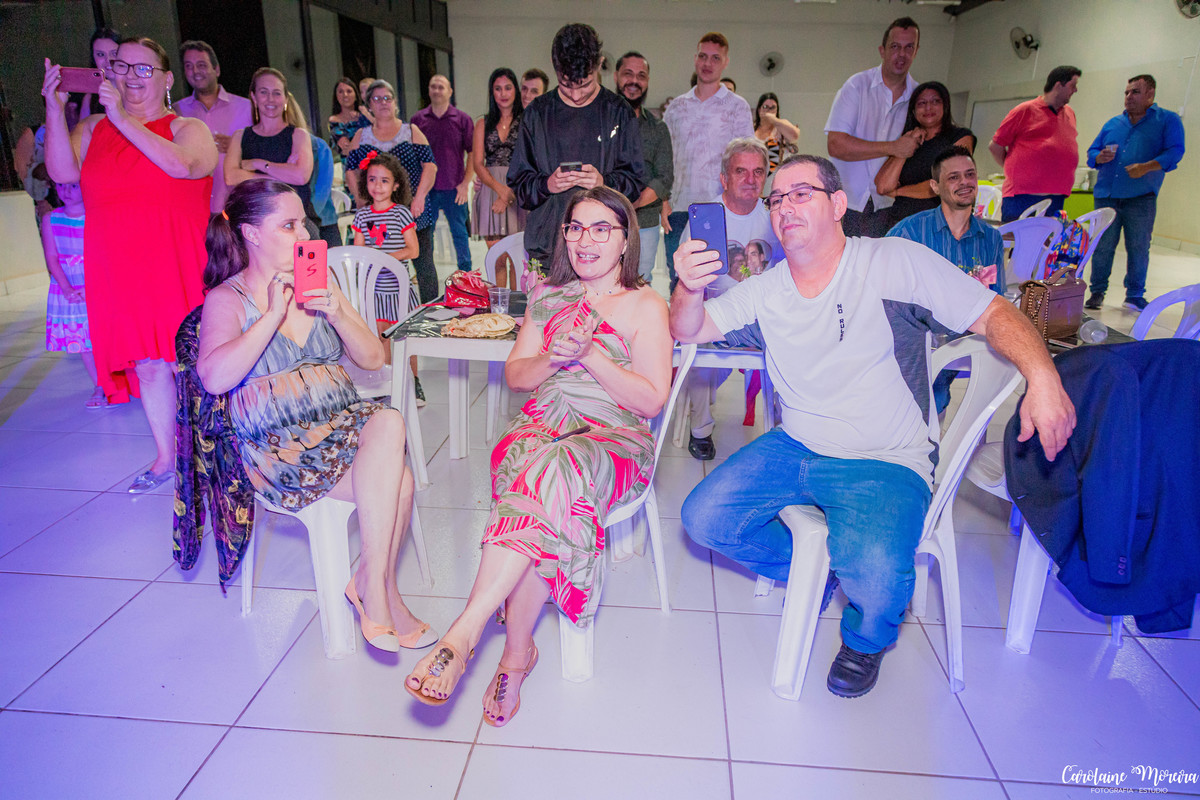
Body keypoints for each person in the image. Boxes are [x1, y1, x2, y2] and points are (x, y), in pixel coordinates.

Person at [671, 153, 1076, 698]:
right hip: (796, 446)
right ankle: (820, 570)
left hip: (885, 458)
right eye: (777, 198)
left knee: (881, 581)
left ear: (839, 204)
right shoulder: (767, 289)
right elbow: (689, 329)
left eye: (801, 193)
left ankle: (864, 640)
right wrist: (688, 286)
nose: (785, 206)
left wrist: (1044, 378)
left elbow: (995, 313)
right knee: (703, 518)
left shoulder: (892, 262)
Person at [404, 186, 671, 725]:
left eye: (602, 228)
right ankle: (516, 651)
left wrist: (590, 355)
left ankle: (469, 632)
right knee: (533, 468)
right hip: (543, 425)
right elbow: (517, 375)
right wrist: (553, 357)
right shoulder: (548, 295)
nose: (585, 240)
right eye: (576, 228)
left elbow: (651, 400)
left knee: (550, 472)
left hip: (614, 438)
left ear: (626, 240)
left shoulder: (646, 305)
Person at [197, 179, 434, 653]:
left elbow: (374, 359)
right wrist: (272, 315)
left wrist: (340, 311)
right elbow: (215, 378)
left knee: (389, 424)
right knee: (401, 477)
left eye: (303, 222)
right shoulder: (228, 298)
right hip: (278, 448)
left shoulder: (320, 281)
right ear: (251, 234)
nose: (305, 234)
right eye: (288, 225)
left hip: (339, 423)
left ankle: (371, 583)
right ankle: (379, 592)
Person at [42, 38, 217, 493]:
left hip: (176, 261)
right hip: (118, 266)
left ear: (167, 78)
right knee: (149, 365)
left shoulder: (187, 127)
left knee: (193, 361)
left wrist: (123, 119)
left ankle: (215, 453)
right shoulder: (93, 128)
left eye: (144, 69)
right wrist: (55, 110)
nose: (131, 77)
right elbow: (62, 173)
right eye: (122, 67)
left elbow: (184, 166)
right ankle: (167, 458)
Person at [507, 23, 645, 272]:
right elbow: (520, 186)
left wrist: (604, 183)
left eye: (585, 85)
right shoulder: (537, 114)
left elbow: (635, 183)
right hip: (548, 252)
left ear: (599, 64)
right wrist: (547, 185)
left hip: (605, 253)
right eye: (566, 85)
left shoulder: (618, 112)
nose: (576, 95)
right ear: (555, 68)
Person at [678, 138, 781, 461]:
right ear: (724, 178)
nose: (751, 179)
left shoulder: (775, 217)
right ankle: (700, 430)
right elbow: (688, 281)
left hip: (762, 316)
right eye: (741, 171)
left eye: (758, 172)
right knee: (696, 344)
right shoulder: (705, 218)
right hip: (715, 312)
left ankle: (785, 431)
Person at [886, 146, 1005, 411]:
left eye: (970, 174)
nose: (964, 182)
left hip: (968, 340)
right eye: (953, 177)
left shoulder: (991, 238)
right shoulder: (910, 232)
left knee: (996, 384)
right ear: (935, 186)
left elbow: (996, 297)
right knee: (929, 395)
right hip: (920, 343)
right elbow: (881, 287)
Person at [1084, 74, 1186, 313]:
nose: (1129, 97)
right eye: (1127, 92)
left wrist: (1147, 167)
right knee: (1102, 246)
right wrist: (1098, 157)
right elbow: (1092, 151)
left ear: (1150, 94)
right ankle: (1097, 291)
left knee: (1138, 247)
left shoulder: (1167, 120)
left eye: (1135, 92)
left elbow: (1175, 152)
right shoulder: (1113, 123)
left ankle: (1134, 295)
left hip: (1140, 198)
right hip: (1107, 196)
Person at [663, 32, 754, 289]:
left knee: (718, 280)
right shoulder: (677, 107)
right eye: (703, 56)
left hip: (718, 208)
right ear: (695, 58)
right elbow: (664, 157)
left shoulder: (737, 107)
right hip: (678, 207)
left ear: (725, 62)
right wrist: (663, 201)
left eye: (715, 58)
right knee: (678, 280)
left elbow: (746, 160)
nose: (707, 63)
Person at [825, 17, 921, 238]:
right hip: (846, 201)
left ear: (916, 51)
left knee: (881, 260)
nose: (902, 54)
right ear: (882, 50)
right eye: (895, 46)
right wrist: (893, 147)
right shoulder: (856, 86)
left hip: (890, 205)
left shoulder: (919, 98)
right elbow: (836, 145)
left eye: (909, 47)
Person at [347, 80, 439, 305]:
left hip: (413, 210)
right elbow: (350, 170)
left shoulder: (411, 131)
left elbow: (430, 166)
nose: (383, 103)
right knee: (378, 262)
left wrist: (419, 197)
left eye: (387, 98)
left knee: (423, 264)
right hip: (377, 212)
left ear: (395, 102)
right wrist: (360, 199)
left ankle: (431, 312)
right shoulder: (361, 135)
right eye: (377, 99)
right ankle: (382, 308)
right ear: (369, 105)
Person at [351, 151, 422, 398]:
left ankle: (413, 383)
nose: (378, 185)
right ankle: (390, 383)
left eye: (384, 180)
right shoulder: (362, 215)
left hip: (399, 288)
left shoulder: (400, 213)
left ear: (396, 185)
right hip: (375, 290)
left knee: (404, 337)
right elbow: (358, 252)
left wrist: (384, 258)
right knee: (382, 337)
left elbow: (413, 250)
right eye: (372, 179)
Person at [225, 68, 317, 236]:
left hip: (296, 223)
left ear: (285, 98)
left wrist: (258, 164)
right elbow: (231, 177)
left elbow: (301, 176)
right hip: (255, 225)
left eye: (276, 93)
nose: (270, 99)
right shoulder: (240, 136)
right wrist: (283, 177)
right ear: (253, 97)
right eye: (263, 92)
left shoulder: (298, 135)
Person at [874, 81, 975, 225]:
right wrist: (907, 145)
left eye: (935, 101)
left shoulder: (960, 137)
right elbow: (883, 187)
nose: (928, 107)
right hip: (902, 222)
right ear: (913, 111)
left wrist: (898, 192)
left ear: (945, 106)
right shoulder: (908, 139)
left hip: (940, 223)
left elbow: (946, 184)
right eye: (922, 103)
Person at [989, 66, 1082, 222]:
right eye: (1072, 85)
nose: (1075, 90)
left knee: (1048, 238)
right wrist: (1014, 168)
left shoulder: (1070, 113)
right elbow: (995, 146)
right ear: (1058, 85)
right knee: (1017, 237)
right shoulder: (1025, 110)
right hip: (1022, 197)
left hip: (1056, 197)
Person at [42, 180, 104, 409]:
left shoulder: (97, 216)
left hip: (97, 282)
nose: (66, 191)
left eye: (73, 186)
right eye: (60, 185)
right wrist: (66, 288)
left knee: (104, 335)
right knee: (83, 340)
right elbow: (52, 258)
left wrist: (93, 287)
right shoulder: (51, 219)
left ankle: (118, 381)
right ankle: (99, 384)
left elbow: (105, 255)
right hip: (69, 286)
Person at [614, 51, 673, 285]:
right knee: (602, 283)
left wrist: (632, 205)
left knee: (639, 284)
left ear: (647, 81)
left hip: (645, 223)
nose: (634, 81)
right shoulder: (601, 123)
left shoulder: (658, 128)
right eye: (628, 74)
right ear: (616, 76)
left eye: (641, 76)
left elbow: (664, 177)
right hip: (605, 223)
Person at [175, 41, 254, 213]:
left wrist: (238, 146)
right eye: (189, 66)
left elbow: (265, 151)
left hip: (237, 206)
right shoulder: (176, 111)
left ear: (216, 69)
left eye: (201, 65)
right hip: (194, 208)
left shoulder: (247, 108)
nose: (195, 71)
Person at [471, 68, 527, 289]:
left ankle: (516, 306)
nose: (503, 93)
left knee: (517, 258)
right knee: (497, 258)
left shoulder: (526, 121)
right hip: (490, 190)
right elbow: (477, 163)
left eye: (508, 88)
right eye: (497, 88)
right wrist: (499, 190)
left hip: (518, 190)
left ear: (515, 90)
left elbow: (529, 160)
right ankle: (498, 305)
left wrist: (508, 193)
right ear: (492, 92)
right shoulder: (482, 123)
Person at [412, 75, 475, 271]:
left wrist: (465, 184)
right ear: (429, 90)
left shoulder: (463, 119)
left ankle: (466, 275)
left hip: (454, 188)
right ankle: (426, 273)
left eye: (441, 87)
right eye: (433, 87)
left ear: (450, 92)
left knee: (460, 233)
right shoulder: (417, 120)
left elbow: (473, 153)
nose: (437, 90)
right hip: (426, 189)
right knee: (424, 233)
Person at [65, 28, 121, 128]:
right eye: (100, 54)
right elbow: (82, 134)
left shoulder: (137, 90)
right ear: (94, 59)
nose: (108, 60)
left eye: (114, 53)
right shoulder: (91, 99)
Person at [328, 77, 371, 202]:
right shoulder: (334, 121)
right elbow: (344, 148)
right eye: (340, 92)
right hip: (350, 170)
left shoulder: (366, 116)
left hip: (371, 167)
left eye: (349, 91)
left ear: (356, 95)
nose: (345, 95)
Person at [753, 92, 800, 176]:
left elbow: (794, 135)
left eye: (773, 108)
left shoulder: (781, 127)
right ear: (759, 109)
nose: (769, 110)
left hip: (777, 175)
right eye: (765, 107)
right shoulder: (751, 129)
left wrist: (773, 119)